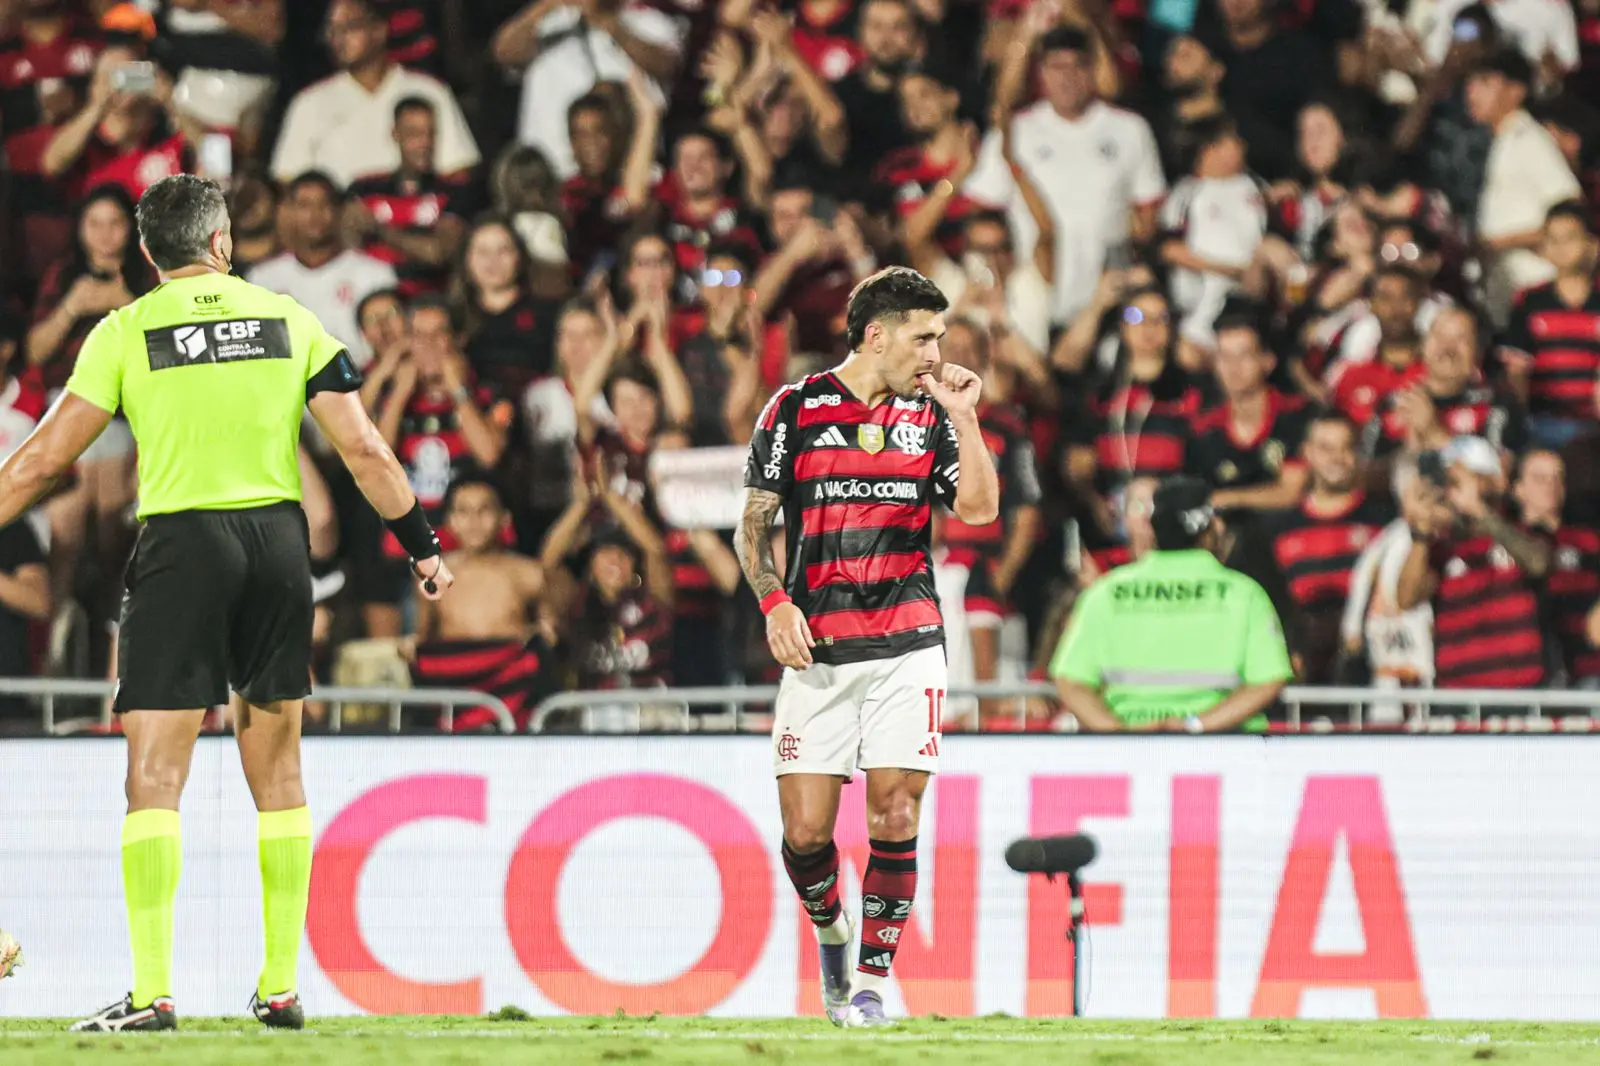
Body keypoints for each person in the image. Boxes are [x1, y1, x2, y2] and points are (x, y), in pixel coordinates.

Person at [0, 174, 455, 1031]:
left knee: (154, 776)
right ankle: (280, 987)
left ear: (147, 254)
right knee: (279, 773)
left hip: (183, 547)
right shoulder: (289, 319)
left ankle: (151, 995)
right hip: (279, 548)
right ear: (222, 243)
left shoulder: (126, 330)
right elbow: (364, 449)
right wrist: (423, 546)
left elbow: (40, 463)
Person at [737, 267, 1000, 1026]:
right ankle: (832, 932)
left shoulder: (932, 415)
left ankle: (871, 987)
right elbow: (752, 524)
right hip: (817, 649)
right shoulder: (795, 407)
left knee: (894, 812)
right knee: (805, 834)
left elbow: (980, 509)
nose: (936, 353)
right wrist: (775, 602)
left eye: (939, 337)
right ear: (876, 336)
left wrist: (965, 419)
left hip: (908, 642)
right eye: (924, 337)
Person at [1050, 475, 1293, 733]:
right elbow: (1268, 680)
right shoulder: (1244, 594)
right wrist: (1194, 725)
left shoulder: (1105, 593)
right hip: (1224, 745)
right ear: (1211, 528)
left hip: (1132, 745)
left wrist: (1120, 735)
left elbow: (1070, 682)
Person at [270, 0, 479, 189]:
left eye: (349, 27)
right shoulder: (308, 103)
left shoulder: (430, 91)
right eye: (332, 30)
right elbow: (287, 182)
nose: (338, 39)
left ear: (379, 30)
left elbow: (458, 172)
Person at [1396, 434, 1549, 689]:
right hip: (1459, 694)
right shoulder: (1441, 545)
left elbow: (1538, 563)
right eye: (1448, 480)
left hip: (1520, 692)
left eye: (1463, 478)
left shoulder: (1523, 526)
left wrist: (1479, 511)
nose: (1452, 489)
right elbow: (1406, 599)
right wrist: (1421, 534)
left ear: (1494, 480)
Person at [1265, 411, 1396, 683]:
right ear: (1307, 453)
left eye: (1346, 447)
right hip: (1302, 669)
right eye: (1326, 448)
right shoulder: (1279, 528)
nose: (1337, 458)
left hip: (1370, 666)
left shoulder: (1383, 521)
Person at [412, 477, 549, 731]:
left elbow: (547, 634)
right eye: (463, 511)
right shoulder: (432, 574)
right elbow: (423, 637)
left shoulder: (529, 573)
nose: (474, 521)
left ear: (504, 518)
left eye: (484, 510)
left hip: (513, 691)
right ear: (450, 521)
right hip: (452, 690)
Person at [247, 171, 398, 366]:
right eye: (305, 205)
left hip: (361, 379)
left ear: (338, 210)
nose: (315, 214)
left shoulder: (376, 274)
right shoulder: (261, 279)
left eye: (323, 204)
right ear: (289, 212)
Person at [1498, 202, 1600, 449]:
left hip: (1593, 427)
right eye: (1553, 239)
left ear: (1591, 244)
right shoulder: (1530, 301)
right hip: (1541, 424)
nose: (1561, 247)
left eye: (1570, 238)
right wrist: (1521, 421)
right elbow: (1516, 369)